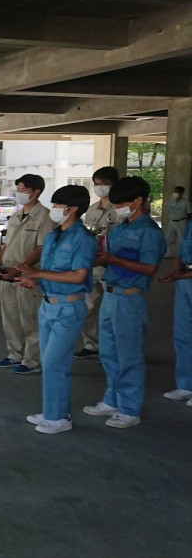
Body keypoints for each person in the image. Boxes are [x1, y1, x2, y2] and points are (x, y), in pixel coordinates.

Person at [83, 177, 166, 429]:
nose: (118, 208)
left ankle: (129, 408)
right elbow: (109, 257)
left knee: (129, 355)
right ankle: (112, 399)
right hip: (110, 294)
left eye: (121, 203)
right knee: (109, 353)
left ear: (138, 201)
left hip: (130, 298)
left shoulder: (149, 232)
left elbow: (149, 268)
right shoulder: (118, 229)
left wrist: (113, 260)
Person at [16, 186, 97, 434]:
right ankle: (51, 411)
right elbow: (51, 273)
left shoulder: (83, 238)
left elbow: (78, 275)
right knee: (48, 362)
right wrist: (33, 280)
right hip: (48, 305)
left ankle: (60, 418)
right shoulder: (53, 236)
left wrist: (38, 273)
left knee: (55, 362)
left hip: (69, 307)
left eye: (58, 205)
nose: (54, 209)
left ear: (72, 209)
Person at [0, 174, 56, 375]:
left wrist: (19, 269)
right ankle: (15, 354)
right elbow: (7, 245)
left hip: (27, 275)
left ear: (36, 192)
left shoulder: (45, 216)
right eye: (18, 189)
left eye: (24, 190)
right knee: (10, 317)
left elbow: (42, 247)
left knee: (29, 317)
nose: (19, 193)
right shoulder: (15, 216)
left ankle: (32, 360)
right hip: (7, 273)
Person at [75, 167, 120, 359]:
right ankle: (92, 344)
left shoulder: (120, 208)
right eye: (97, 184)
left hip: (112, 262)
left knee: (112, 309)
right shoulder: (92, 209)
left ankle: (113, 349)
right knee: (88, 306)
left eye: (105, 183)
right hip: (92, 262)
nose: (101, 187)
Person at [159, 219, 192, 407]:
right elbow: (181, 249)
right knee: (183, 334)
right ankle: (186, 384)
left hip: (187, 276)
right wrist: (177, 269)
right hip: (185, 281)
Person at [165, 185, 192, 258]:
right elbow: (168, 210)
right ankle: (169, 253)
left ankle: (181, 255)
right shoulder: (171, 201)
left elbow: (190, 213)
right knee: (170, 238)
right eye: (174, 192)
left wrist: (188, 223)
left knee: (181, 238)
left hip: (181, 221)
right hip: (172, 221)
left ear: (182, 193)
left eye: (177, 192)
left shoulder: (186, 203)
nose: (175, 193)